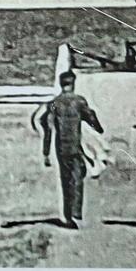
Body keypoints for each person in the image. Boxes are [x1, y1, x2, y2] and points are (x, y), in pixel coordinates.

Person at [41, 70, 104, 229]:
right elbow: (91, 118)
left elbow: (47, 126)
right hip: (75, 144)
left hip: (61, 146)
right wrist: (98, 127)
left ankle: (68, 215)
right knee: (77, 177)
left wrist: (46, 151)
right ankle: (76, 211)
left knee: (65, 179)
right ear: (73, 83)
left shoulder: (55, 103)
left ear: (61, 84)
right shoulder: (79, 101)